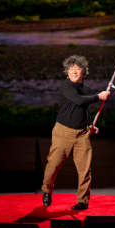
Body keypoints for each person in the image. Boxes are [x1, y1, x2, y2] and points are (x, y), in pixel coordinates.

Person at [41, 55, 110, 210]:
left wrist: (90, 125)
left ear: (83, 71)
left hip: (82, 134)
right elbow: (78, 100)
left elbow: (84, 109)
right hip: (63, 132)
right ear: (67, 72)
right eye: (71, 69)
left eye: (78, 69)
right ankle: (47, 190)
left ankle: (83, 201)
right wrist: (98, 97)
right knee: (53, 165)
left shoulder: (86, 89)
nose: (74, 71)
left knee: (85, 170)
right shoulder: (66, 85)